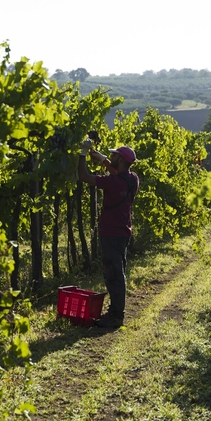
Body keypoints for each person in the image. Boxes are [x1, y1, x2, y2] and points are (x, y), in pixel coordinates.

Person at [78, 139, 139, 328]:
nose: (111, 156)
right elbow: (118, 174)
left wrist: (83, 153)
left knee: (114, 275)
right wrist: (104, 159)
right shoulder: (132, 179)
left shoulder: (112, 182)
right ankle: (115, 312)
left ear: (120, 160)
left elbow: (83, 176)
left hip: (111, 233)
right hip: (122, 233)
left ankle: (115, 317)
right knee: (117, 272)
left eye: (114, 155)